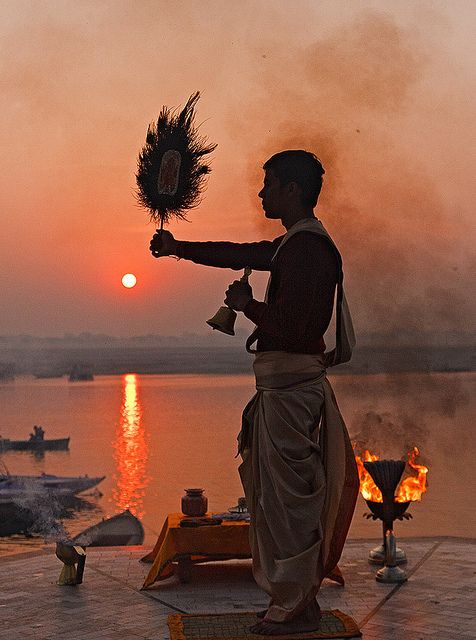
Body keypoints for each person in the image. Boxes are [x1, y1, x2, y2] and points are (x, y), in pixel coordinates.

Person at [150, 150, 359, 635]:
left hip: (291, 390)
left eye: (268, 185)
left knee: (289, 506)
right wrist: (178, 247)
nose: (261, 193)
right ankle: (294, 602)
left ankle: (295, 606)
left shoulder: (308, 248)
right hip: (281, 390)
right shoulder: (294, 245)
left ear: (292, 190)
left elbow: (297, 326)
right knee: (279, 502)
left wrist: (247, 306)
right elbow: (238, 252)